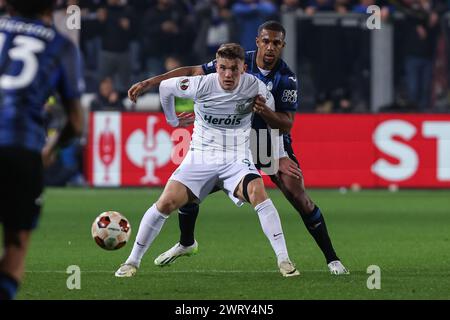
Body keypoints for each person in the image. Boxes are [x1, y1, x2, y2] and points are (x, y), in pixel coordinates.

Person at [128, 21, 349, 275]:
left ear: (282, 47)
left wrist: (278, 154)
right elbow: (192, 71)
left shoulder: (286, 79)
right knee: (189, 189)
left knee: (298, 195)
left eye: (276, 43)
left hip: (267, 138)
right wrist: (149, 83)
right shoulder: (239, 62)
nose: (270, 47)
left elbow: (286, 124)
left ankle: (332, 259)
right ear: (258, 42)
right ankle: (187, 242)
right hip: (231, 139)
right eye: (266, 41)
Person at [115, 43, 300, 278]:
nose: (228, 74)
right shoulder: (202, 84)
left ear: (244, 68)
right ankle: (132, 261)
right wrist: (172, 121)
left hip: (236, 158)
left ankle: (284, 260)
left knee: (258, 192)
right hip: (200, 156)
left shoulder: (256, 87)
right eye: (222, 68)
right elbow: (166, 87)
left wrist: (280, 155)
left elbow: (273, 126)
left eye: (234, 69)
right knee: (165, 203)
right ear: (216, 66)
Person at [0, 0, 84, 300]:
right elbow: (76, 123)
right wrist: (50, 149)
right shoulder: (62, 45)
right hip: (22, 149)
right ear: (52, 8)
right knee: (15, 244)